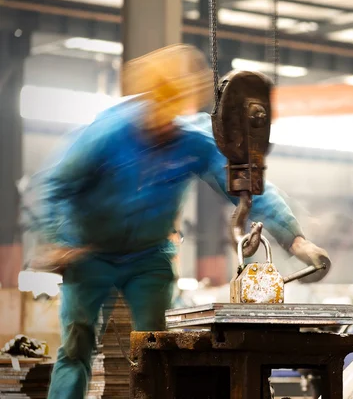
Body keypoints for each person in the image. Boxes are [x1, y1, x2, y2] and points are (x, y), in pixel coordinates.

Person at [26, 44, 330, 399]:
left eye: (172, 110)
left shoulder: (191, 140)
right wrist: (52, 240)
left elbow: (244, 183)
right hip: (88, 252)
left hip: (148, 258)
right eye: (159, 109)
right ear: (149, 98)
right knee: (76, 348)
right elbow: (56, 183)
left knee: (155, 348)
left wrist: (295, 240)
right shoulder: (108, 134)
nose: (164, 121)